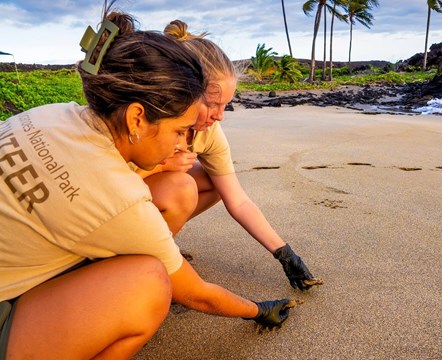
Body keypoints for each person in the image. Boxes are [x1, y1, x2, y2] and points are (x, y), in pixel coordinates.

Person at [0, 5, 296, 359]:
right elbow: (196, 293)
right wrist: (258, 309)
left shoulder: (49, 114)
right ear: (137, 117)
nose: (180, 143)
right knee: (149, 283)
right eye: (178, 130)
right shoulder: (119, 198)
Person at [133, 20, 323, 291]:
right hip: (113, 209)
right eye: (212, 104)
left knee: (211, 180)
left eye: (226, 105)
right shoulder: (147, 119)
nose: (220, 115)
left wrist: (283, 253)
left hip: (147, 202)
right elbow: (102, 183)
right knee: (183, 184)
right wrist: (159, 166)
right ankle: (146, 259)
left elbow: (239, 200)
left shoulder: (209, 132)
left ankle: (160, 240)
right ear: (183, 91)